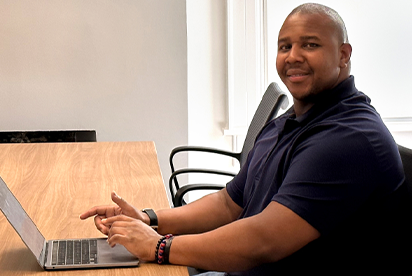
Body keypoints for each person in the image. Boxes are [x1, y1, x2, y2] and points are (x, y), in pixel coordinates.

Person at [80, 3, 411, 275]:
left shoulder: (348, 139)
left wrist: (158, 245)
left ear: (343, 54)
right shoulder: (294, 120)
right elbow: (229, 203)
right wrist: (150, 218)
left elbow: (264, 241)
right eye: (285, 46)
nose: (293, 56)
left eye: (310, 44)